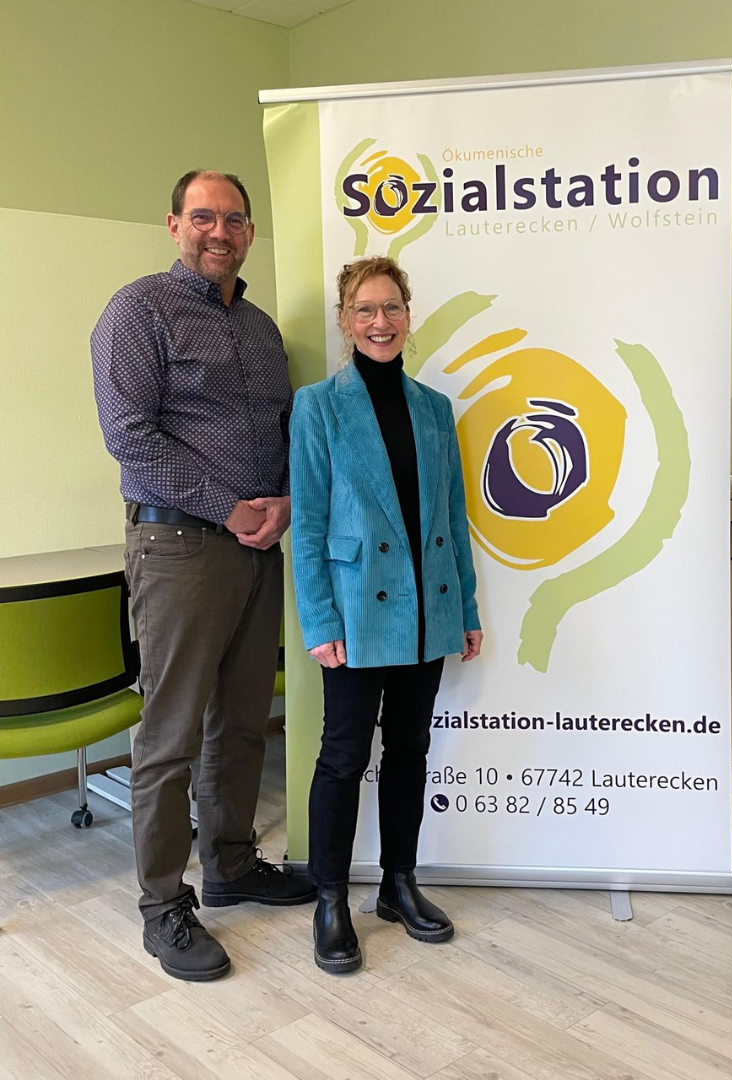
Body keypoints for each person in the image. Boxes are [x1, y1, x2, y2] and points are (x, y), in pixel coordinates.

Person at [91, 170, 315, 983]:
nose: (219, 232)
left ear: (249, 231)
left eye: (234, 219)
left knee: (245, 722)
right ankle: (162, 905)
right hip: (181, 546)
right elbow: (130, 435)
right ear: (174, 224)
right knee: (170, 735)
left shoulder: (259, 329)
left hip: (257, 547)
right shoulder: (137, 311)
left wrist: (283, 499)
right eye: (203, 217)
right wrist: (229, 506)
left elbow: (283, 426)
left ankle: (230, 864)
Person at [290, 255, 483, 974]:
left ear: (408, 315)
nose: (381, 322)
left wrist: (465, 607)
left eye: (392, 307)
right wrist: (319, 621)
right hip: (355, 609)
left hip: (428, 607)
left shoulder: (434, 409)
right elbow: (309, 523)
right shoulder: (318, 405)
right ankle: (331, 899)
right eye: (366, 310)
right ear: (345, 321)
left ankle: (399, 884)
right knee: (343, 756)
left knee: (409, 749)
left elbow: (453, 520)